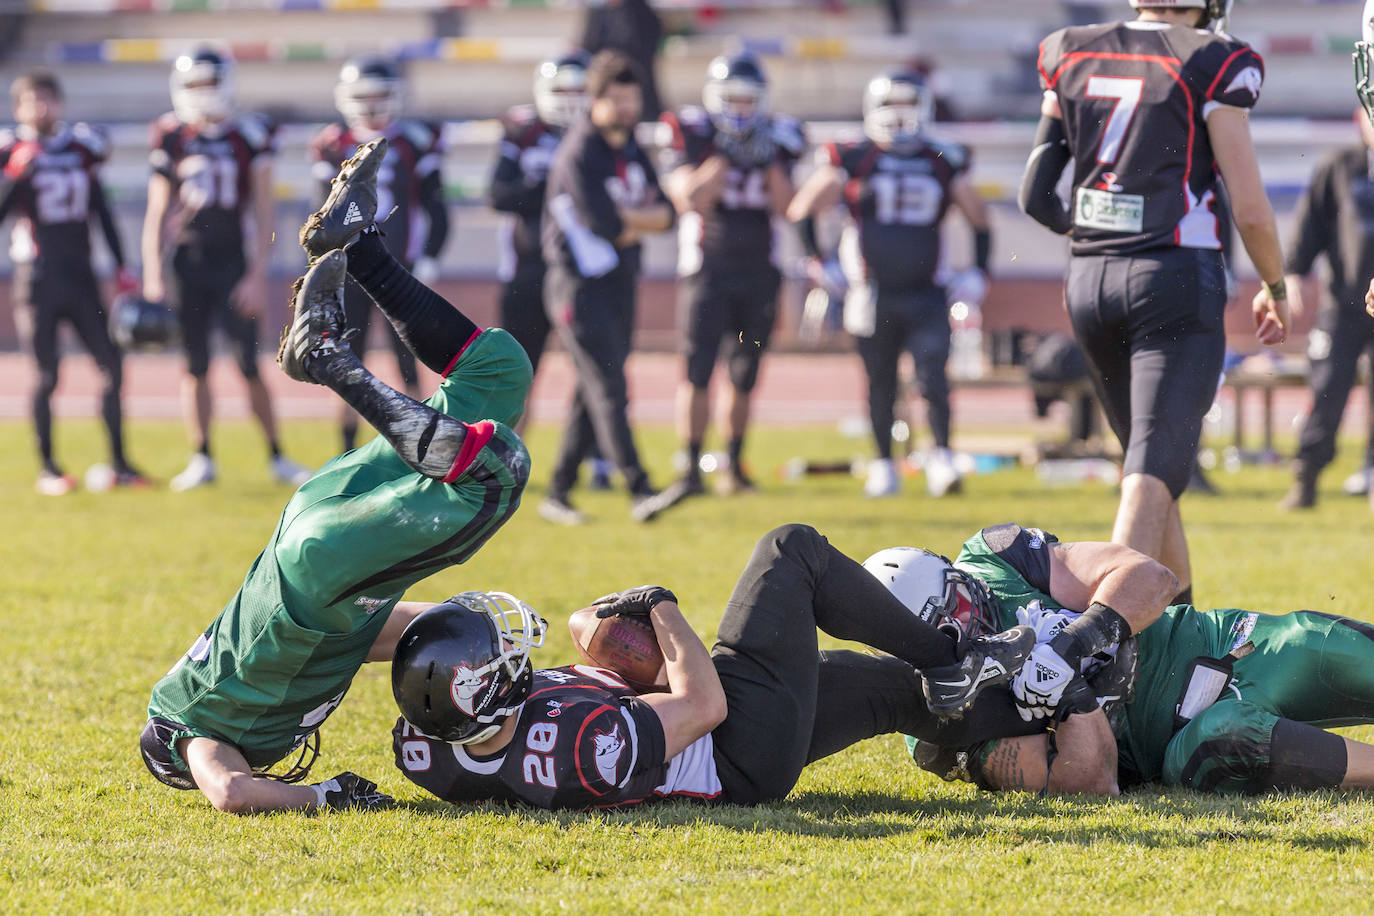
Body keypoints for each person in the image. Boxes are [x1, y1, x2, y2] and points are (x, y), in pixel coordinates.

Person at [140, 138, 533, 814]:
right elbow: (393, 632)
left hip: (322, 569)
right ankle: (361, 245)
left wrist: (322, 796)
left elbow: (230, 792)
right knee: (498, 375)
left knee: (494, 476)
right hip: (308, 528)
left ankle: (327, 360)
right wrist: (485, 641)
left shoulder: (195, 729)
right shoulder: (269, 672)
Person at [390, 524, 1042, 810]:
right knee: (791, 551)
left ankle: (1054, 713)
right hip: (731, 748)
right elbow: (705, 706)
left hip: (731, 744)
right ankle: (948, 659)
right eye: (494, 652)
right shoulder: (579, 747)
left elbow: (431, 677)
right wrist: (661, 608)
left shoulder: (426, 740)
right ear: (489, 693)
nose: (509, 648)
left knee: (896, 695)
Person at [1018, 0, 1290, 604]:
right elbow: (1248, 205)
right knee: (1147, 478)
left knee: (1151, 466)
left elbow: (1037, 195)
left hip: (1088, 279)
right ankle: (1093, 647)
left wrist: (1103, 236)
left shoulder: (1071, 48)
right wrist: (1276, 284)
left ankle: (1182, 627)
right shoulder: (1213, 58)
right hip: (1173, 278)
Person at [884, 525, 1374, 796]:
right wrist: (1072, 694)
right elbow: (1089, 780)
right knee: (1229, 730)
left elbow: (1151, 576)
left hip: (1219, 645)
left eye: (962, 607)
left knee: (1317, 641)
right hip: (1178, 741)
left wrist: (1075, 641)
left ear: (957, 577)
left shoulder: (993, 558)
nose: (970, 629)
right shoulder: (935, 723)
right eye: (946, 635)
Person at [788, 70, 992, 499]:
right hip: (872, 290)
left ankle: (941, 458)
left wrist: (979, 270)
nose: (900, 119)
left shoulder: (942, 158)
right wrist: (820, 260)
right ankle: (884, 463)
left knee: (932, 376)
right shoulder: (854, 156)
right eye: (891, 108)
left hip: (926, 288)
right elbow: (803, 207)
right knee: (879, 380)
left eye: (907, 108)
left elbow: (979, 216)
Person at [142, 45, 311, 491]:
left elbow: (265, 213)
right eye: (194, 84)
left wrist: (257, 273)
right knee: (194, 365)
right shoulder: (170, 135)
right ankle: (201, 457)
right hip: (186, 263)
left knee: (248, 364)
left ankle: (276, 455)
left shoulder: (249, 136)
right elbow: (157, 211)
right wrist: (152, 273)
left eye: (210, 82)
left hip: (233, 264)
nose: (203, 93)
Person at [538, 50, 686, 525]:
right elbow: (606, 225)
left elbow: (669, 213)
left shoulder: (632, 147)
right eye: (615, 98)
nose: (625, 108)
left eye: (631, 98)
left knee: (593, 388)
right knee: (610, 386)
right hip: (577, 286)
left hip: (620, 281)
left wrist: (633, 221)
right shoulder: (581, 150)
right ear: (595, 100)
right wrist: (640, 220)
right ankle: (640, 487)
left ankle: (557, 491)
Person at [660, 52, 803, 496]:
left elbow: (788, 207)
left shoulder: (782, 136)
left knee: (744, 374)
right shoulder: (694, 133)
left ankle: (734, 465)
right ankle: (690, 468)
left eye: (748, 99)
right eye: (732, 99)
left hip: (760, 271)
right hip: (706, 269)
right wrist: (725, 153)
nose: (740, 108)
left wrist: (768, 160)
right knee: (697, 371)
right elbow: (689, 197)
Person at [0, 69, 144, 494]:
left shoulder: (82, 148)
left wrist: (121, 264)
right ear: (18, 109)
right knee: (47, 374)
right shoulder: (13, 149)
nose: (42, 107)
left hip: (81, 274)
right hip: (37, 278)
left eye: (48, 98)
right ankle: (49, 467)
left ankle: (119, 464)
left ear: (59, 103)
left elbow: (100, 207)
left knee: (111, 367)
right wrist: (14, 175)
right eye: (33, 101)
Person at [309, 55, 448, 453]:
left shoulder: (413, 142)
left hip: (398, 268)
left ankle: (423, 444)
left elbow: (437, 209)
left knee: (410, 361)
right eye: (363, 96)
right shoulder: (331, 144)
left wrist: (429, 258)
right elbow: (322, 215)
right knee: (347, 360)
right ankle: (347, 449)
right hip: (350, 270)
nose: (371, 105)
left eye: (380, 95)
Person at [1277, 112, 1374, 510]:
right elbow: (1310, 221)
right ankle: (1307, 475)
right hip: (1344, 303)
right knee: (1328, 387)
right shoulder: (1339, 165)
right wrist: (1294, 272)